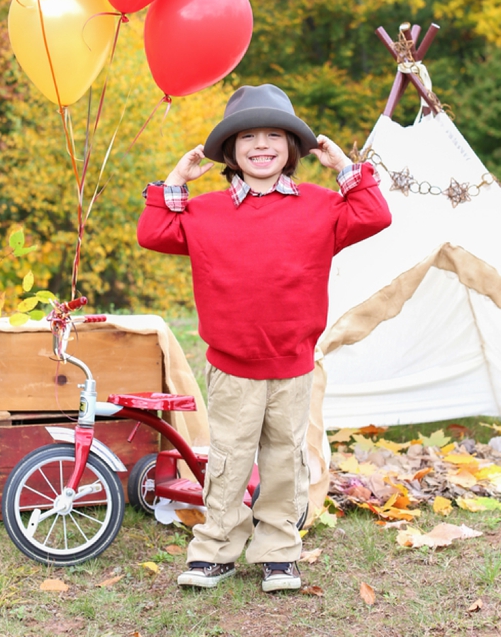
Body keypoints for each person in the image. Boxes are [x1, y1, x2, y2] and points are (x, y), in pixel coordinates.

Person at [137, 84, 391, 592]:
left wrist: (344, 167)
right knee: (229, 461)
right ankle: (216, 550)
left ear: (292, 148)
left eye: (274, 135)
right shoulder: (204, 211)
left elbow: (375, 215)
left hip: (294, 362)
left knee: (284, 460)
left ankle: (278, 551)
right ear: (229, 151)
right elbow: (153, 232)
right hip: (232, 365)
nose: (261, 145)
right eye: (247, 136)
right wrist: (176, 179)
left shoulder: (321, 207)